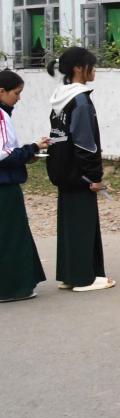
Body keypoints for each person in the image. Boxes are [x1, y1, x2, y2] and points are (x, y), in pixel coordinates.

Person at [46, 47, 113, 292]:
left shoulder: (59, 98)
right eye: (91, 66)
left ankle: (70, 275)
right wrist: (94, 176)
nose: (94, 70)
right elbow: (85, 143)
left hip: (62, 170)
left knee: (69, 224)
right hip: (80, 173)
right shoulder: (81, 100)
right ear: (78, 68)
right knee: (84, 224)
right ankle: (84, 278)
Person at [0, 70, 48, 302]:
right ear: (2, 91)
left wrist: (27, 154)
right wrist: (33, 148)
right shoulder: (1, 116)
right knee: (11, 236)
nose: (18, 98)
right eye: (16, 93)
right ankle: (11, 288)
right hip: (4, 187)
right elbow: (4, 155)